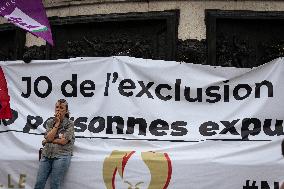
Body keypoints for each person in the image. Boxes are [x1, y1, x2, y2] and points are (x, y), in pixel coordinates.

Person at [34, 99, 75, 189]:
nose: (58, 110)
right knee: (39, 183)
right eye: (57, 107)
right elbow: (48, 137)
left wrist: (48, 141)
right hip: (47, 155)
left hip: (62, 156)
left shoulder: (70, 124)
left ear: (66, 111)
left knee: (54, 184)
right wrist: (57, 123)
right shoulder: (50, 122)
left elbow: (63, 141)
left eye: (61, 108)